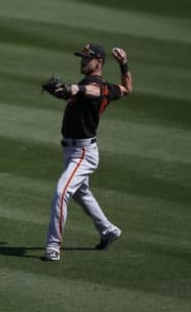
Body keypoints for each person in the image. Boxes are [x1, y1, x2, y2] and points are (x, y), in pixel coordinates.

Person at [43, 44, 133, 261]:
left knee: (61, 192)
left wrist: (76, 89)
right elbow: (126, 89)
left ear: (98, 62)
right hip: (72, 151)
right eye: (81, 58)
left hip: (83, 153)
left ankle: (53, 246)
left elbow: (93, 92)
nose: (82, 61)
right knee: (81, 194)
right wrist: (124, 65)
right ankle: (109, 230)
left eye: (86, 58)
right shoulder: (100, 86)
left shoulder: (96, 85)